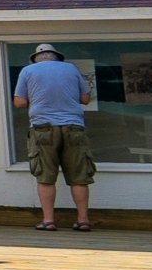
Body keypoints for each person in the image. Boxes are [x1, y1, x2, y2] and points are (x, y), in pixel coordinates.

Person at [14, 43, 95, 231]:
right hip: (74, 127)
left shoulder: (27, 71)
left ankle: (48, 220)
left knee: (46, 177)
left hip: (42, 128)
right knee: (79, 177)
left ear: (36, 58)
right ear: (57, 57)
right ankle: (83, 220)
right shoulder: (71, 69)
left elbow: (19, 102)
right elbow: (85, 99)